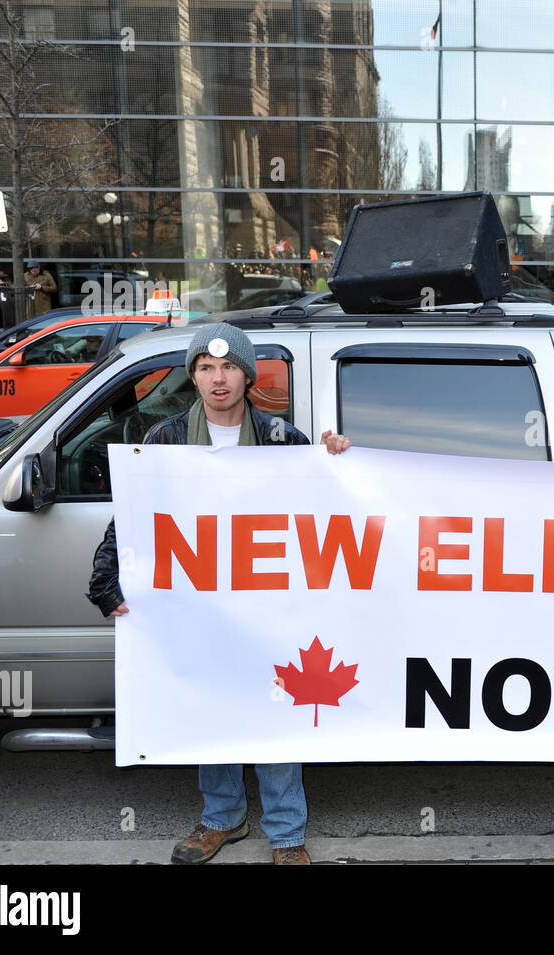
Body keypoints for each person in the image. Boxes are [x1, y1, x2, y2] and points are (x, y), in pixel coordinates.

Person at [87, 322, 352, 865]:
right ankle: (222, 819)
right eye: (206, 368)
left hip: (268, 605)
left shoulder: (282, 439)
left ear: (247, 375)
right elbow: (135, 518)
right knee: (213, 704)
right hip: (199, 605)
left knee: (275, 708)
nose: (218, 378)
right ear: (193, 376)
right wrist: (106, 579)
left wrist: (336, 459)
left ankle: (287, 835)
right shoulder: (165, 440)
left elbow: (320, 513)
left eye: (230, 367)